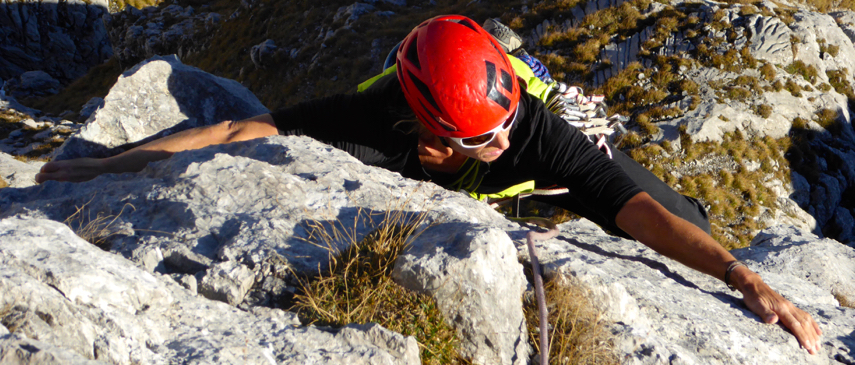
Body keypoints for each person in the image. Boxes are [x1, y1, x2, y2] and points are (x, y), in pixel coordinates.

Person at [36, 15, 822, 354]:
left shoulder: (534, 132)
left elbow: (637, 208)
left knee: (681, 212)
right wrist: (106, 165)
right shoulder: (377, 116)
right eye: (484, 136)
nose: (503, 139)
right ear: (431, 129)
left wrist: (735, 272)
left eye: (506, 120)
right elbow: (246, 131)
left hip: (545, 182)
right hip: (442, 154)